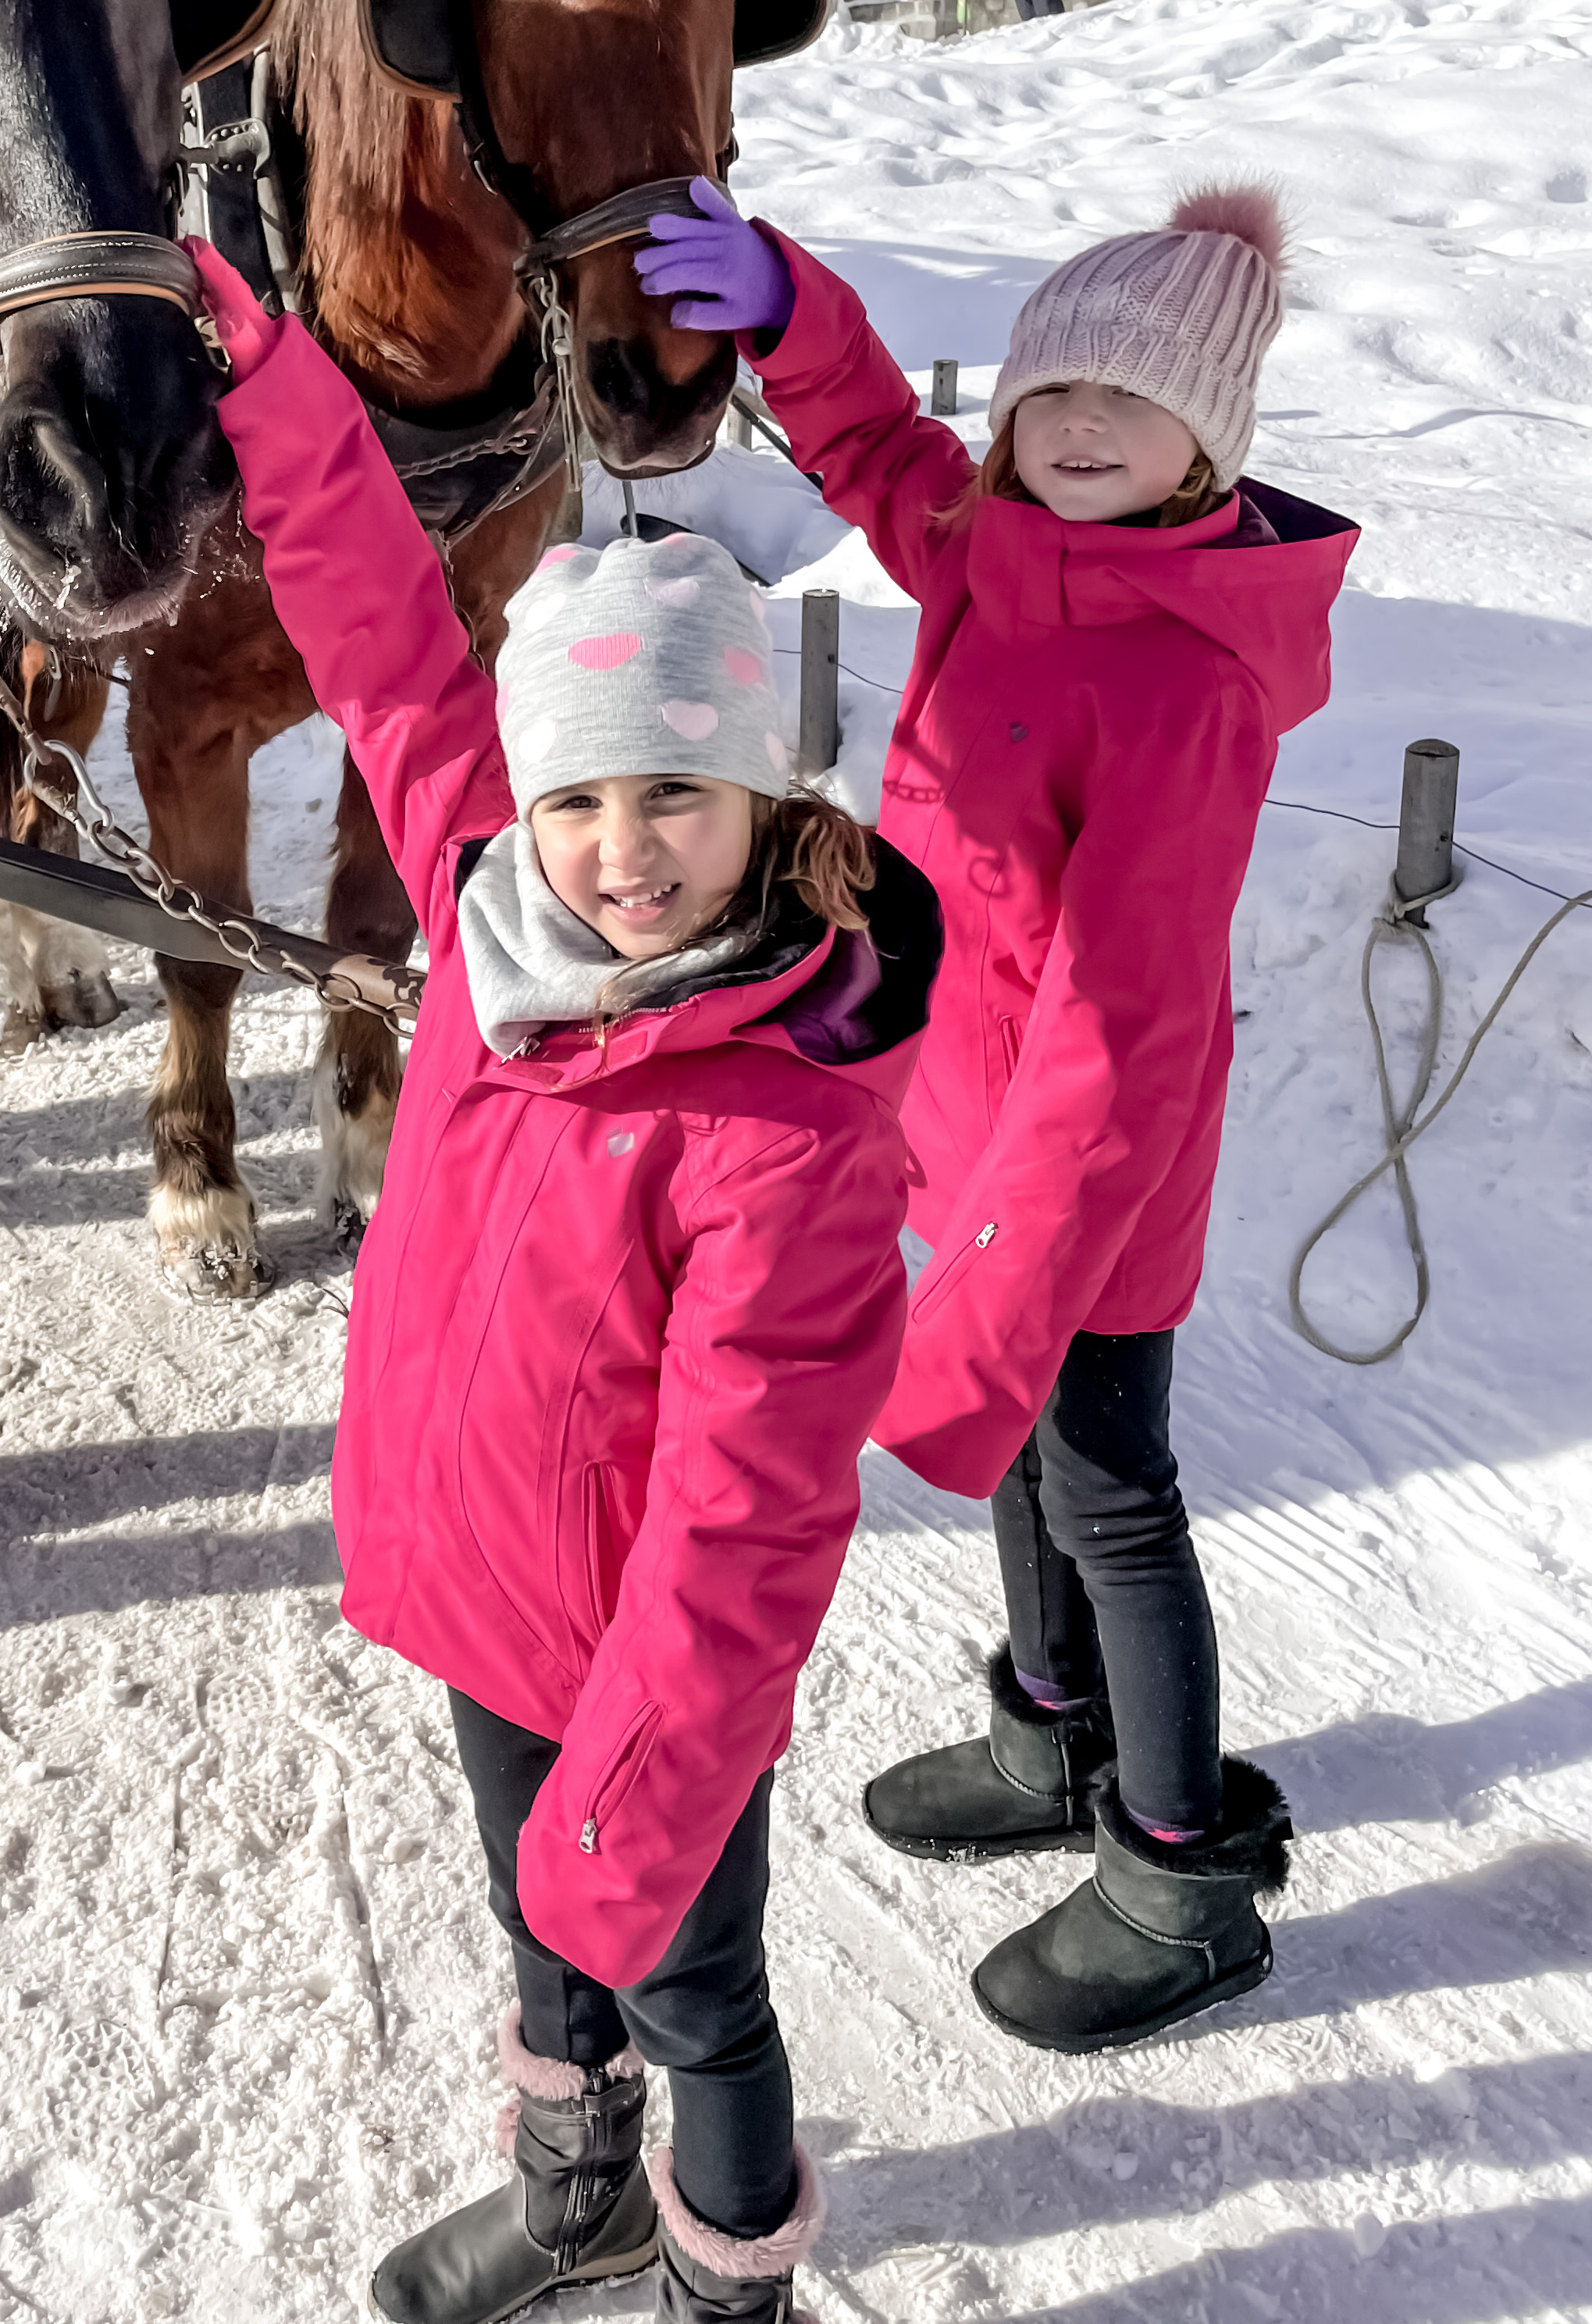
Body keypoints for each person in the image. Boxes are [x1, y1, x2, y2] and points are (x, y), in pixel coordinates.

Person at [189, 241, 943, 2324]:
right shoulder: (481, 902)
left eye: (678, 797)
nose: (622, 850)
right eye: (583, 797)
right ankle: (575, 2188)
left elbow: (751, 1518)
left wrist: (644, 1767)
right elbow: (373, 617)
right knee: (542, 1940)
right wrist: (260, 365)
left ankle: (732, 2279)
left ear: (766, 800)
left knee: (697, 1986)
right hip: (480, 1595)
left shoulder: (782, 1119)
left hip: (648, 1676)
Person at [636, 179, 1359, 2056]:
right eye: (1052, 400)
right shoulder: (989, 543)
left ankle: (1182, 1867)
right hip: (962, 1142)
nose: (1081, 432)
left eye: (1131, 407)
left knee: (1111, 1490)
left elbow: (1122, 1032)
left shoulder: (1187, 680)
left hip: (1082, 1188)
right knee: (1035, 1470)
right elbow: (877, 441)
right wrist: (790, 299)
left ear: (1215, 441)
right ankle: (1049, 1734)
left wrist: (1001, 1277)